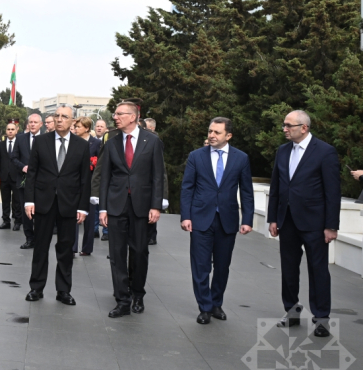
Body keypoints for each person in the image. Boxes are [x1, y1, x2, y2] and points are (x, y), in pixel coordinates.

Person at [267, 110, 341, 337]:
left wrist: (331, 226)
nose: (284, 129)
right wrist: (273, 218)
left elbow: (332, 191)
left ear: (304, 128)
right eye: (284, 125)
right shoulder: (282, 151)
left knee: (318, 270)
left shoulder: (325, 152)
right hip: (287, 221)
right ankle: (291, 312)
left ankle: (321, 319)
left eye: (289, 125)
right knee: (288, 270)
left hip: (315, 224)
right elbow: (277, 187)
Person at [180, 117, 254, 325]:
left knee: (222, 266)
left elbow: (246, 192)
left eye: (217, 132)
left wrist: (247, 219)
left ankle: (216, 303)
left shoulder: (241, 158)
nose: (211, 135)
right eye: (210, 131)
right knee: (201, 266)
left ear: (228, 136)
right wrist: (186, 216)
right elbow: (187, 188)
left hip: (227, 220)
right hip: (200, 219)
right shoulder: (196, 156)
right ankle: (204, 307)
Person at [98, 101, 164, 318]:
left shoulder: (152, 141)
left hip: (142, 207)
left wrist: (156, 205)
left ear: (133, 116)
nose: (115, 117)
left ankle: (138, 294)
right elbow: (104, 177)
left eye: (119, 114)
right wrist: (103, 208)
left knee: (139, 253)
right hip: (116, 206)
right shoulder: (111, 143)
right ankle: (122, 299)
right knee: (116, 254)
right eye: (115, 114)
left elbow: (157, 175)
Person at [23, 106, 91, 304]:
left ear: (72, 121)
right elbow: (32, 173)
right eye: (57, 116)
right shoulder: (40, 142)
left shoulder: (81, 145)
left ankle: (63, 291)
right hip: (43, 203)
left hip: (69, 204)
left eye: (64, 117)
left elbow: (85, 179)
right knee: (41, 247)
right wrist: (29, 200)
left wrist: (82, 207)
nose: (60, 119)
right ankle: (36, 288)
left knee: (65, 249)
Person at [11, 113, 42, 244]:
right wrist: (23, 167)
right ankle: (29, 238)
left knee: (40, 211)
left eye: (36, 122)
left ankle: (40, 238)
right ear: (28, 124)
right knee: (26, 210)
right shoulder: (20, 138)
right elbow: (13, 157)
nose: (33, 124)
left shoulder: (47, 139)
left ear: (41, 124)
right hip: (24, 181)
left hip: (41, 182)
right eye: (31, 122)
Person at [72, 116, 101, 256]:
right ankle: (72, 247)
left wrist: (91, 164)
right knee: (73, 216)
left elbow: (100, 164)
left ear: (87, 128)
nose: (76, 129)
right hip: (74, 183)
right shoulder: (72, 141)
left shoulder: (96, 143)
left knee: (89, 217)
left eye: (78, 126)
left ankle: (87, 248)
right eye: (75, 126)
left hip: (90, 184)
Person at [0, 120, 22, 230]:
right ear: (6, 131)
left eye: (12, 129)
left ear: (16, 131)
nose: (10, 131)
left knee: (17, 201)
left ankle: (17, 222)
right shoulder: (1, 145)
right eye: (8, 129)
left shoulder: (20, 144)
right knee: (5, 200)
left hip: (16, 177)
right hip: (4, 177)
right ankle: (6, 221)